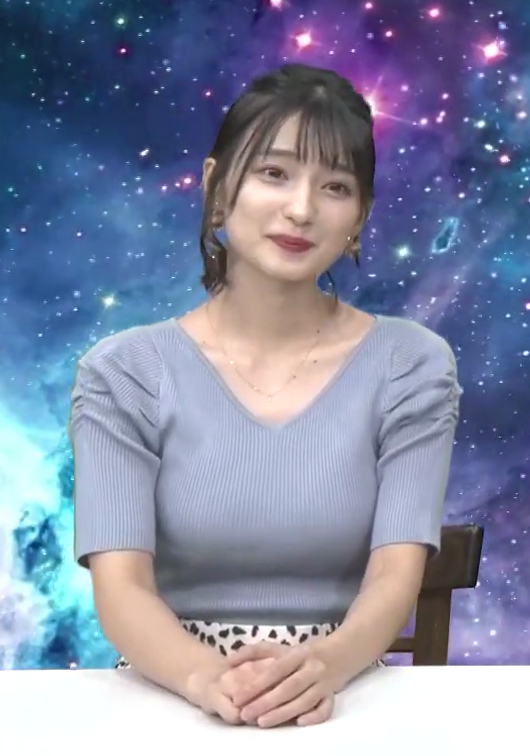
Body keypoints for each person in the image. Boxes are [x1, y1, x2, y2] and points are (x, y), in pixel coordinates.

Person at [69, 62, 462, 729]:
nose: (302, 209)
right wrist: (209, 680)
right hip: (172, 696)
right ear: (217, 187)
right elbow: (122, 588)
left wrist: (322, 668)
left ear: (360, 215)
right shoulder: (124, 372)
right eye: (274, 173)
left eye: (335, 187)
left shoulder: (412, 365)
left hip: (345, 696)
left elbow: (395, 575)